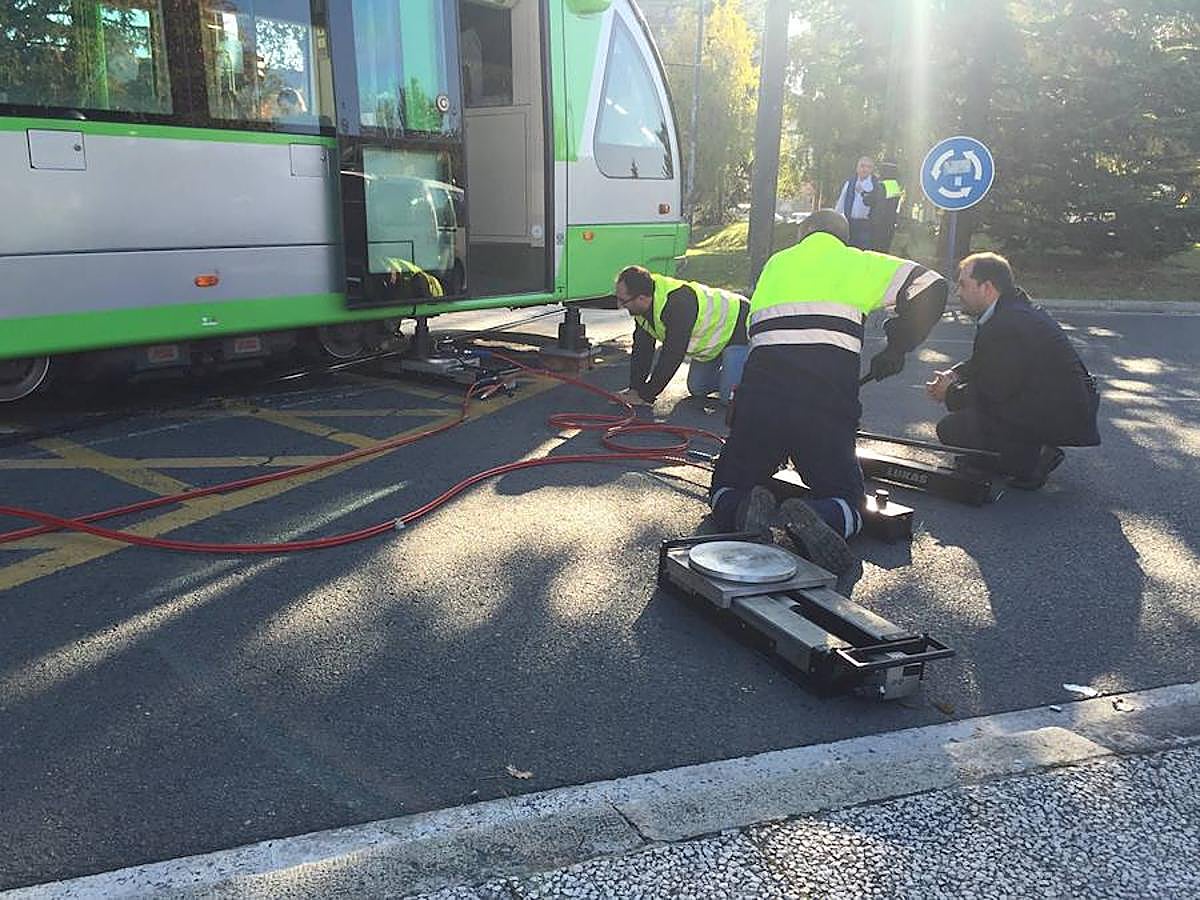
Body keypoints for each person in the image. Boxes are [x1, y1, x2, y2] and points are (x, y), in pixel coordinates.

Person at [709, 210, 947, 574]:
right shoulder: (857, 263)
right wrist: (898, 346)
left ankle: (739, 510)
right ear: (843, 237)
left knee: (726, 485)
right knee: (849, 499)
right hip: (823, 407)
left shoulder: (775, 266)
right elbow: (932, 285)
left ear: (802, 235)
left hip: (761, 404)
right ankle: (822, 515)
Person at [927, 252, 1100, 489]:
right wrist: (955, 374)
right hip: (1051, 404)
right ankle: (1015, 452)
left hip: (1059, 413)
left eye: (963, 285)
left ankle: (1033, 459)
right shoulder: (1012, 310)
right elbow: (989, 362)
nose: (958, 293)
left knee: (953, 430)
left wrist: (950, 393)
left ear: (987, 287)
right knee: (968, 424)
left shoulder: (1007, 324)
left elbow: (993, 391)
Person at [614, 266, 749, 406]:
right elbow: (642, 350)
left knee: (729, 398)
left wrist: (646, 395)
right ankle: (732, 377)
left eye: (623, 300)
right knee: (697, 388)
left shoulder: (678, 304)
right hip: (715, 342)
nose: (619, 305)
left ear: (641, 298)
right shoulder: (642, 305)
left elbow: (672, 354)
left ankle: (755, 381)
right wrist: (635, 389)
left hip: (738, 327)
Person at [831, 157, 876, 249]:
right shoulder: (850, 183)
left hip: (866, 226)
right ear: (857, 168)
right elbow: (841, 202)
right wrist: (835, 219)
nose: (865, 169)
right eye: (862, 166)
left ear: (872, 169)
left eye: (868, 167)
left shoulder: (876, 185)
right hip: (849, 224)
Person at [865, 161, 902, 253]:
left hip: (877, 226)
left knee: (874, 251)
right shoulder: (895, 186)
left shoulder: (882, 185)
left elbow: (870, 201)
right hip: (889, 225)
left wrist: (864, 194)